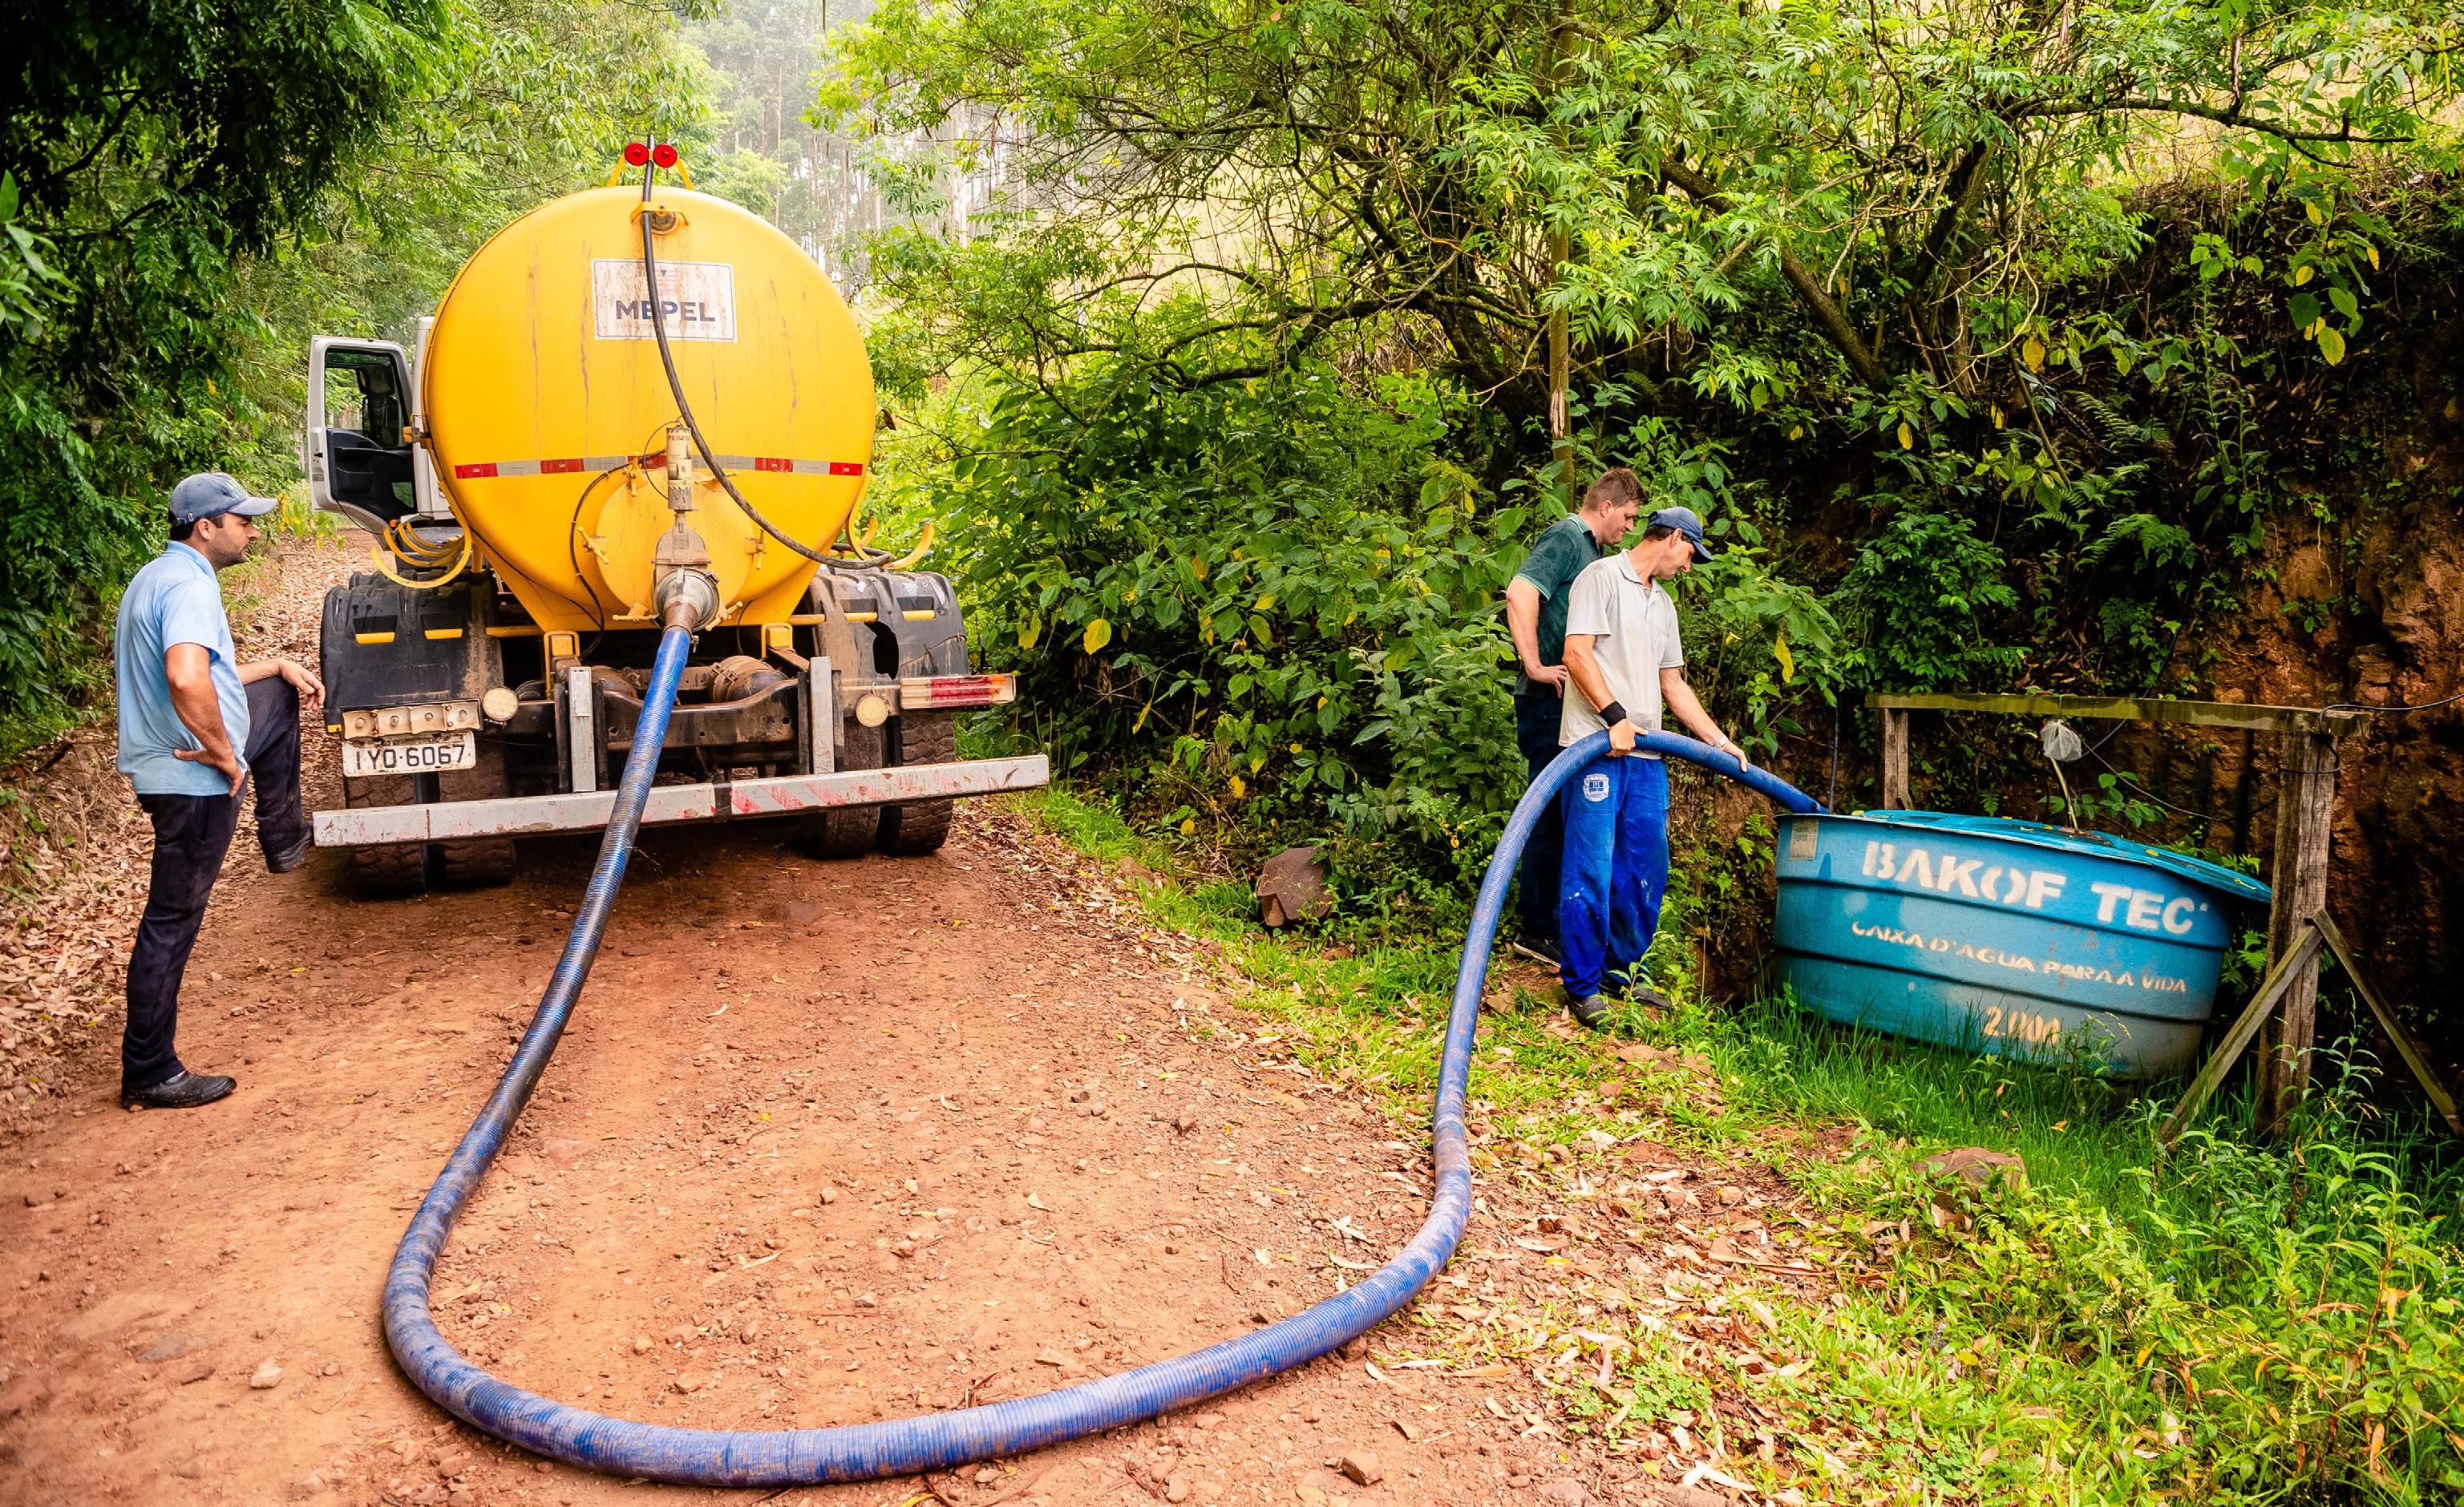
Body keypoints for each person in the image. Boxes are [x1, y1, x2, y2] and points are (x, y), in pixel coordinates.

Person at [114, 473, 325, 1110]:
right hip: (191, 779)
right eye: (243, 521)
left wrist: (276, 665)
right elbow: (185, 677)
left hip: (178, 765)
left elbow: (210, 672)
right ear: (205, 527)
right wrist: (223, 754)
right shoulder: (189, 587)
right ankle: (150, 1070)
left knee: (279, 694)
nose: (253, 532)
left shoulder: (159, 576)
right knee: (172, 919)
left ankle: (283, 835)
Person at [1555, 505, 1748, 1028]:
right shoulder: (1600, 577)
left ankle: (1621, 973)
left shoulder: (1662, 604)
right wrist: (1613, 716)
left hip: (1646, 758)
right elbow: (1576, 654)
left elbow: (1672, 684)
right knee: (1590, 868)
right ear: (1675, 538)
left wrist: (1718, 741)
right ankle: (1582, 985)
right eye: (1690, 555)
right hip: (1595, 749)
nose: (1688, 566)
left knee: (1645, 869)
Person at [1503, 468, 1643, 964]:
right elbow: (1521, 592)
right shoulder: (1567, 537)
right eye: (1628, 516)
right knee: (1546, 816)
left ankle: (1554, 928)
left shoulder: (1597, 558)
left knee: (1567, 817)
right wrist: (1534, 665)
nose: (1630, 527)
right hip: (1547, 698)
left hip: (1571, 705)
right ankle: (1534, 930)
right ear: (1606, 507)